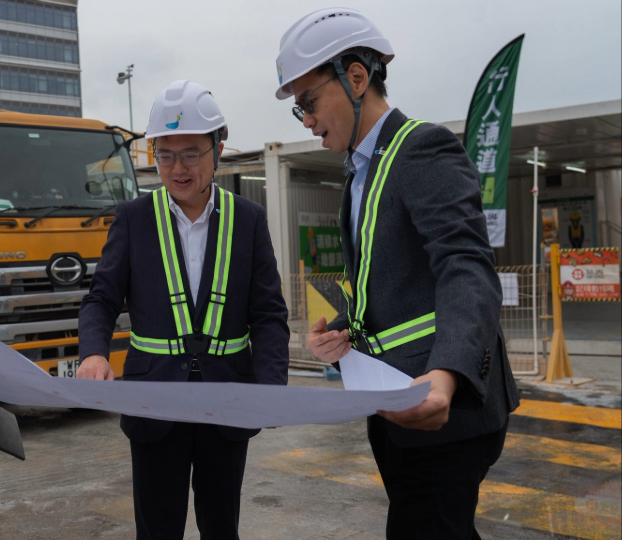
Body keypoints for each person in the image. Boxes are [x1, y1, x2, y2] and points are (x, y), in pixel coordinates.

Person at [276, 8, 520, 539]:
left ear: (356, 78)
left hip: (442, 405)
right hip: (395, 401)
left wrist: (447, 374)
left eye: (309, 102)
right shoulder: (360, 172)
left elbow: (466, 266)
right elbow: (391, 278)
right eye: (299, 110)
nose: (307, 120)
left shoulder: (422, 149)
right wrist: (343, 327)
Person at [77, 80, 289, 540]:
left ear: (218, 150)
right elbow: (102, 298)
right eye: (166, 155)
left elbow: (268, 314)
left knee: (221, 528)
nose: (178, 168)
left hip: (227, 400)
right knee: (157, 530)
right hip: (153, 401)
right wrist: (93, 353)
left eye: (191, 154)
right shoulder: (133, 218)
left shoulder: (247, 220)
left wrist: (272, 386)